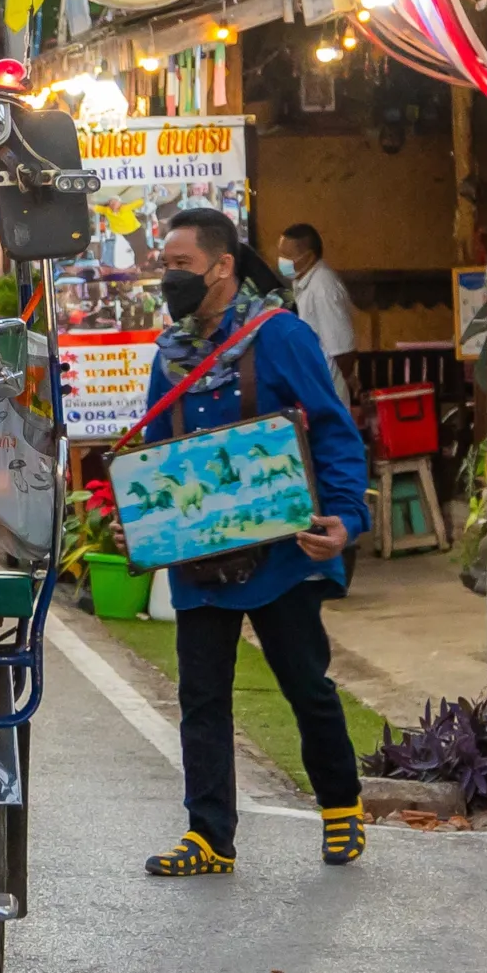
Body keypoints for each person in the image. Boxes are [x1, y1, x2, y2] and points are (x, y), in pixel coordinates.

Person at [135, 207, 373, 877]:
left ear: (222, 267)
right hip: (200, 555)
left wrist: (346, 519)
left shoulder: (282, 337)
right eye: (165, 267)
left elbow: (332, 430)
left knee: (305, 684)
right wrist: (141, 511)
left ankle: (340, 803)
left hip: (282, 554)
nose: (170, 278)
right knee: (202, 696)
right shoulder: (170, 353)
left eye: (181, 266)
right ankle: (209, 836)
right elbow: (159, 449)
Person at [279, 222, 358, 368]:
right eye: (281, 254)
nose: (282, 261)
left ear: (308, 256)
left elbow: (343, 353)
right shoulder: (301, 281)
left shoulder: (323, 287)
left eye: (288, 256)